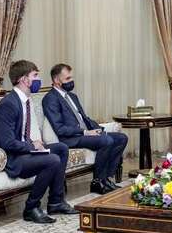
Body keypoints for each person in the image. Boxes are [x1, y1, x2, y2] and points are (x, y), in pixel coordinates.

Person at [0, 59, 77, 224]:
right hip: (11, 158)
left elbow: (21, 134)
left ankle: (56, 202)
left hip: (22, 151)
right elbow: (7, 143)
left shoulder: (25, 100)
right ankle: (31, 208)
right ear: (24, 79)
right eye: (35, 76)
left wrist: (34, 143)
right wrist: (31, 146)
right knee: (52, 160)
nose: (38, 80)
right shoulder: (8, 104)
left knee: (61, 149)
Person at [43, 63, 128, 195]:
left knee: (121, 138)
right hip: (71, 138)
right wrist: (85, 132)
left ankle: (106, 178)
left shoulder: (72, 96)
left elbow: (84, 119)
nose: (71, 81)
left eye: (71, 77)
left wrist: (100, 129)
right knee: (106, 141)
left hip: (85, 134)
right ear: (56, 80)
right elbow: (60, 128)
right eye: (67, 79)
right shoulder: (50, 99)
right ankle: (97, 182)